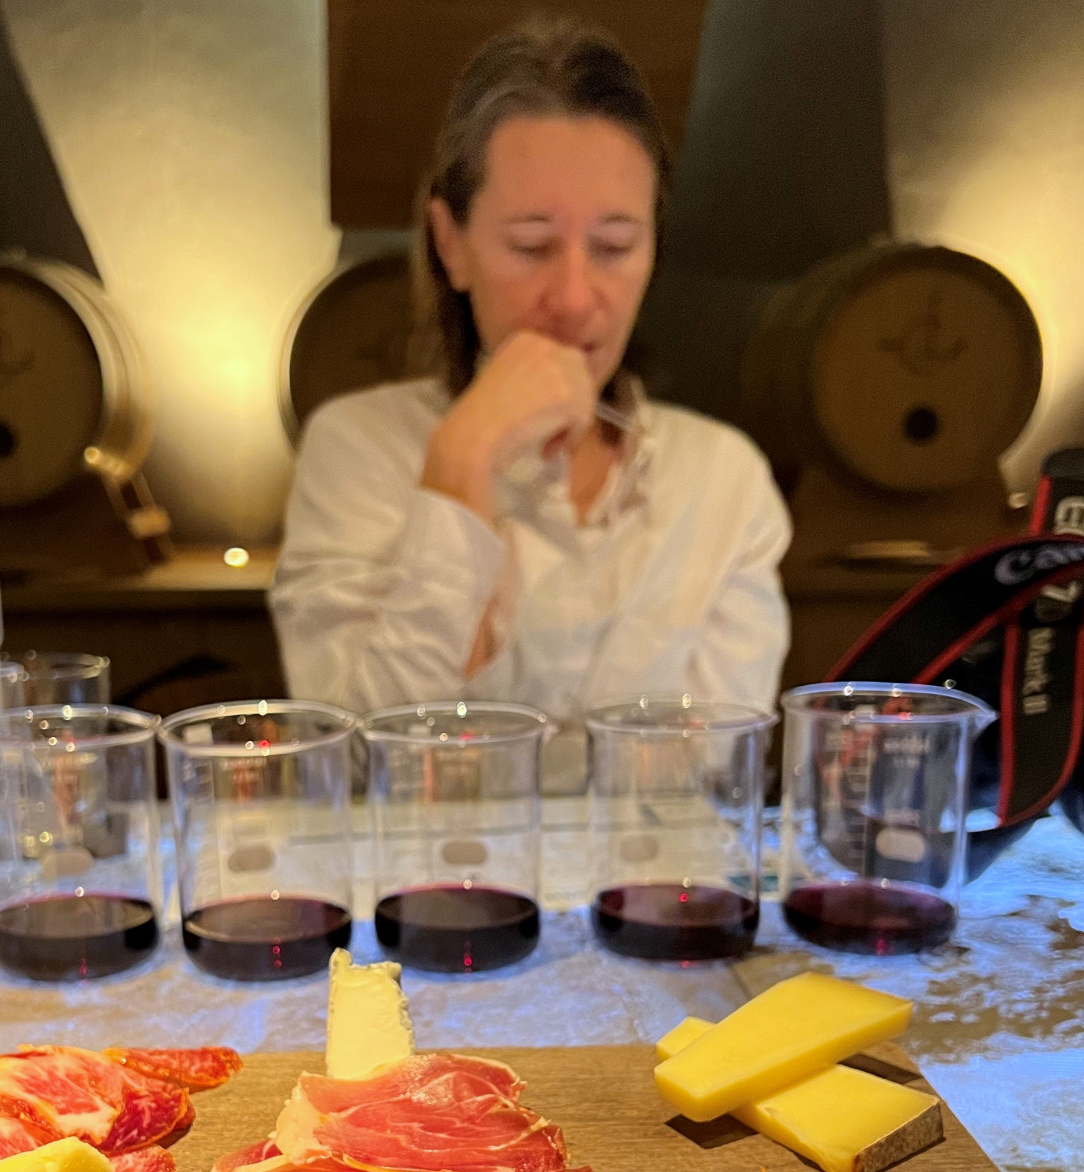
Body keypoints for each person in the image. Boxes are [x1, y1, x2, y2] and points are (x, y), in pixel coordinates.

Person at [270, 17, 790, 783]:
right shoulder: (357, 447)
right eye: (532, 245)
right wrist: (461, 458)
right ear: (452, 244)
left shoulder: (723, 481)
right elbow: (354, 767)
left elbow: (709, 788)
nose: (577, 298)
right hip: (431, 900)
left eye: (615, 246)